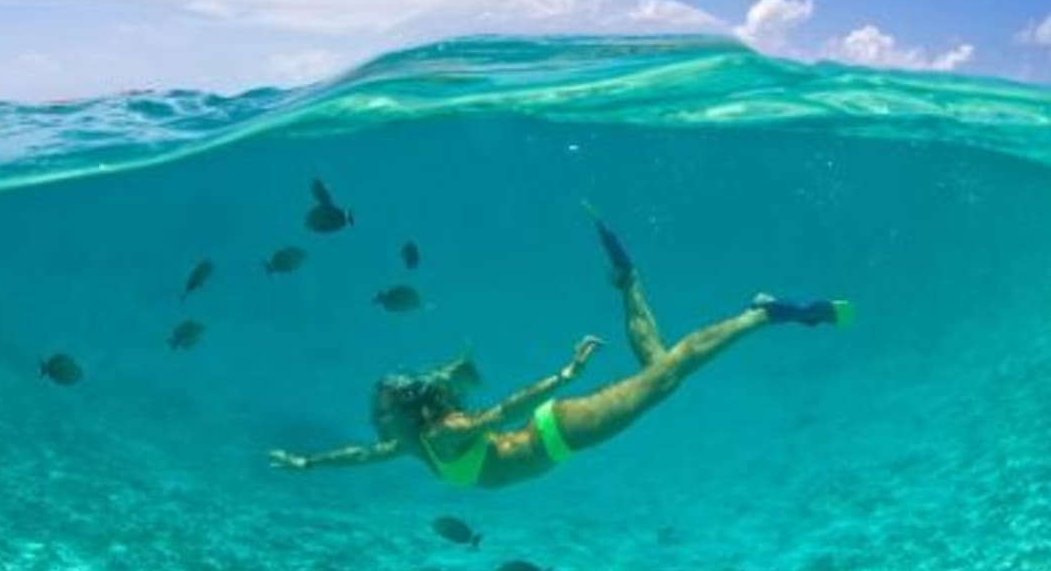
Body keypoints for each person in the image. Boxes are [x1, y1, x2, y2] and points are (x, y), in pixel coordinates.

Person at [267, 207, 852, 488]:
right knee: (659, 366)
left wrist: (564, 374)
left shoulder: (442, 435)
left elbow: (504, 412)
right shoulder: (413, 444)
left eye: (379, 412)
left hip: (564, 428)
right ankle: (629, 279)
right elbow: (357, 456)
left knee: (670, 374)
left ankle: (765, 313)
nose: (374, 422)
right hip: (558, 431)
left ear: (403, 410)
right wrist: (306, 462)